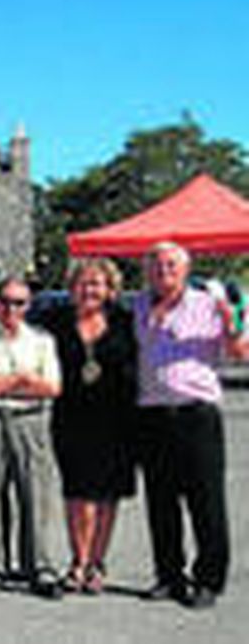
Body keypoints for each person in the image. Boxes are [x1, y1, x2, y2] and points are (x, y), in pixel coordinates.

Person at [132, 242, 248, 609]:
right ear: (147, 271)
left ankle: (208, 580)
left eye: (170, 265)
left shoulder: (209, 304)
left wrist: (232, 327)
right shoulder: (138, 304)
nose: (162, 271)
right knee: (161, 502)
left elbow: (239, 352)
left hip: (195, 413)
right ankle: (168, 575)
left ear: (185, 269)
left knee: (205, 501)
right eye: (156, 265)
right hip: (152, 414)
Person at [0, 278, 63, 598]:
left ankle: (39, 567)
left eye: (19, 303)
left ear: (28, 306)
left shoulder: (42, 341)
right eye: (5, 301)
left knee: (34, 495)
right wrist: (23, 378)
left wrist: (2, 381)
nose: (11, 309)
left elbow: (51, 387)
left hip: (30, 422)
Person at [44, 258, 137, 596]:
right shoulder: (55, 322)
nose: (89, 290)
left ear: (110, 289)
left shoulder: (125, 321)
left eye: (96, 283)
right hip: (71, 418)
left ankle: (98, 562)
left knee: (108, 494)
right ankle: (78, 562)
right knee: (78, 493)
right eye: (83, 283)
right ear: (71, 288)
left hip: (118, 418)